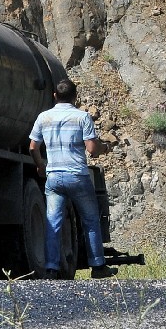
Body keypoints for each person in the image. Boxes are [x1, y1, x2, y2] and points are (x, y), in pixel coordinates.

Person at [28, 79, 117, 279]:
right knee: (91, 220)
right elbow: (92, 149)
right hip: (77, 176)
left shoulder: (44, 117)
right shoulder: (82, 117)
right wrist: (104, 147)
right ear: (75, 97)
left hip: (54, 177)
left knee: (53, 222)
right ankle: (98, 266)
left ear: (54, 96)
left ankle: (51, 268)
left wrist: (41, 166)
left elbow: (33, 147)